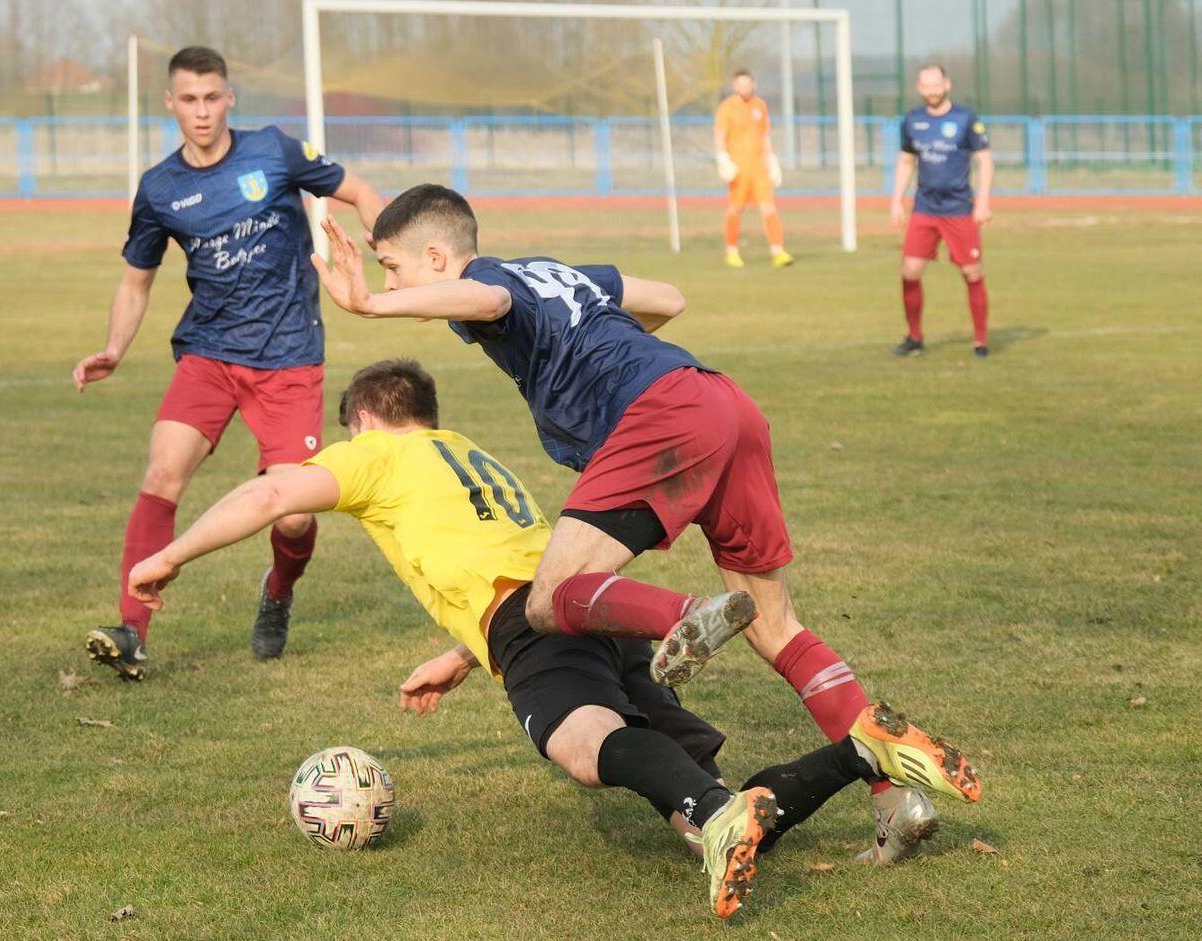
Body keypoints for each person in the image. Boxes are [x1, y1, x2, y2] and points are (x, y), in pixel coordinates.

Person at [126, 359, 983, 919]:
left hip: (531, 632)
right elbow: (525, 563)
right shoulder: (467, 453)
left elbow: (270, 493)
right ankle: (863, 751)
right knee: (705, 812)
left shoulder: (376, 456)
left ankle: (724, 794)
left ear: (366, 420)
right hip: (581, 612)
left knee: (583, 745)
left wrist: (169, 554)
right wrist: (460, 655)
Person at [309, 184, 952, 864]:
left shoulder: (490, 282)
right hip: (722, 400)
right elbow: (668, 299)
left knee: (551, 598)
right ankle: (895, 797)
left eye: (392, 267)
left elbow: (487, 299)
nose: (389, 282)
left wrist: (369, 305)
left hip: (661, 413)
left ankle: (690, 614)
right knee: (776, 625)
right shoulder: (558, 275)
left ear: (437, 257)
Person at [72, 45, 384, 681]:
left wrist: (387, 247)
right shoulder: (160, 188)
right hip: (209, 354)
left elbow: (359, 190)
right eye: (189, 99)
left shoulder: (273, 151)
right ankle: (131, 632)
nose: (202, 111)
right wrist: (114, 349)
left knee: (294, 514)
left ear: (229, 98)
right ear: (171, 103)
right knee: (162, 472)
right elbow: (135, 281)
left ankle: (279, 589)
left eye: (212, 98)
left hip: (289, 356)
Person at [890, 64, 994, 357]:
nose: (932, 91)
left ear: (947, 85)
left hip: (959, 208)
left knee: (971, 272)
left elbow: (985, 160)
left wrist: (983, 202)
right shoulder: (912, 120)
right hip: (925, 207)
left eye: (937, 85)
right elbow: (906, 161)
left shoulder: (966, 118)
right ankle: (914, 337)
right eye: (927, 86)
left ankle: (980, 340)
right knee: (910, 270)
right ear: (919, 87)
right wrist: (896, 200)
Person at [714, 69, 792, 269]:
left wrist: (771, 159)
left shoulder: (760, 106)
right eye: (740, 85)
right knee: (735, 209)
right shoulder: (727, 107)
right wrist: (722, 158)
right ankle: (732, 251)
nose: (744, 88)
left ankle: (778, 251)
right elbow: (720, 135)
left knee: (769, 208)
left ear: (753, 84)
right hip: (738, 170)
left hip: (759, 169)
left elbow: (764, 135)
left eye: (747, 84)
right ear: (734, 86)